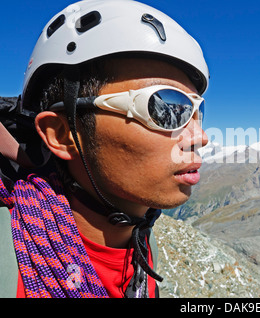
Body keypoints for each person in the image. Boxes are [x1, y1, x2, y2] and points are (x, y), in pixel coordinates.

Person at [0, 0, 209, 298]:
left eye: (196, 111)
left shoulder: (143, 250)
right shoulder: (6, 266)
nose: (200, 136)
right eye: (163, 109)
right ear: (62, 135)